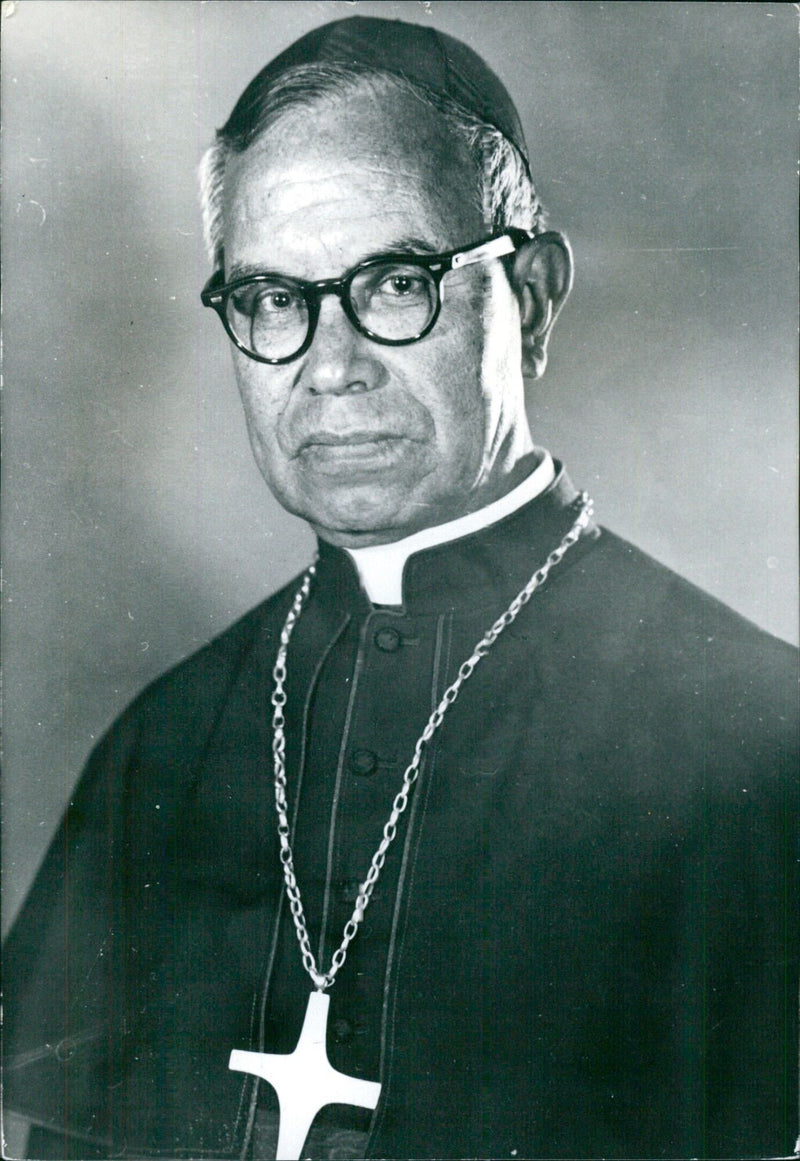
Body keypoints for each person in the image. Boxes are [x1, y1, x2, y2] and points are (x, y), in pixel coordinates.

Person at [3, 15, 797, 1161]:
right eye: (271, 299)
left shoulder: (757, 751)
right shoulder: (159, 753)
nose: (329, 366)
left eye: (392, 283)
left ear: (530, 296)